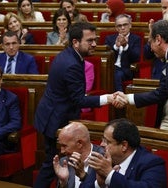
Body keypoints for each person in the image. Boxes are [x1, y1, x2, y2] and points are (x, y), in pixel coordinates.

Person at [33, 22, 114, 188]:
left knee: (53, 163)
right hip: (56, 120)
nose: (94, 44)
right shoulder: (72, 64)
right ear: (76, 42)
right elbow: (80, 100)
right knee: (51, 165)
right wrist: (108, 98)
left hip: (52, 115)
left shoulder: (69, 56)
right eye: (89, 40)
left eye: (95, 39)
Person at [85, 118, 167, 188]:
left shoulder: (151, 163)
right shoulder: (104, 158)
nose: (101, 145)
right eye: (103, 140)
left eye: (107, 142)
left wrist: (110, 174)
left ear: (124, 146)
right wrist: (99, 185)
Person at [53, 122, 104, 187]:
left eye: (64, 146)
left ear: (80, 143)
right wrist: (63, 183)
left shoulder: (102, 159)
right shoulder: (64, 161)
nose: (62, 151)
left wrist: (83, 176)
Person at [144, 0, 168, 80]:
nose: (167, 11)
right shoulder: (157, 25)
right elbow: (147, 55)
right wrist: (151, 37)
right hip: (159, 74)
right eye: (164, 7)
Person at [105, 14, 141, 92]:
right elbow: (106, 56)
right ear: (116, 28)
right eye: (119, 26)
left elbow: (136, 57)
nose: (122, 28)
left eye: (125, 24)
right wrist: (116, 47)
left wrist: (126, 47)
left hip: (126, 70)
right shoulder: (109, 38)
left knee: (117, 74)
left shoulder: (136, 39)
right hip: (110, 68)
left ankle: (119, 96)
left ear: (130, 25)